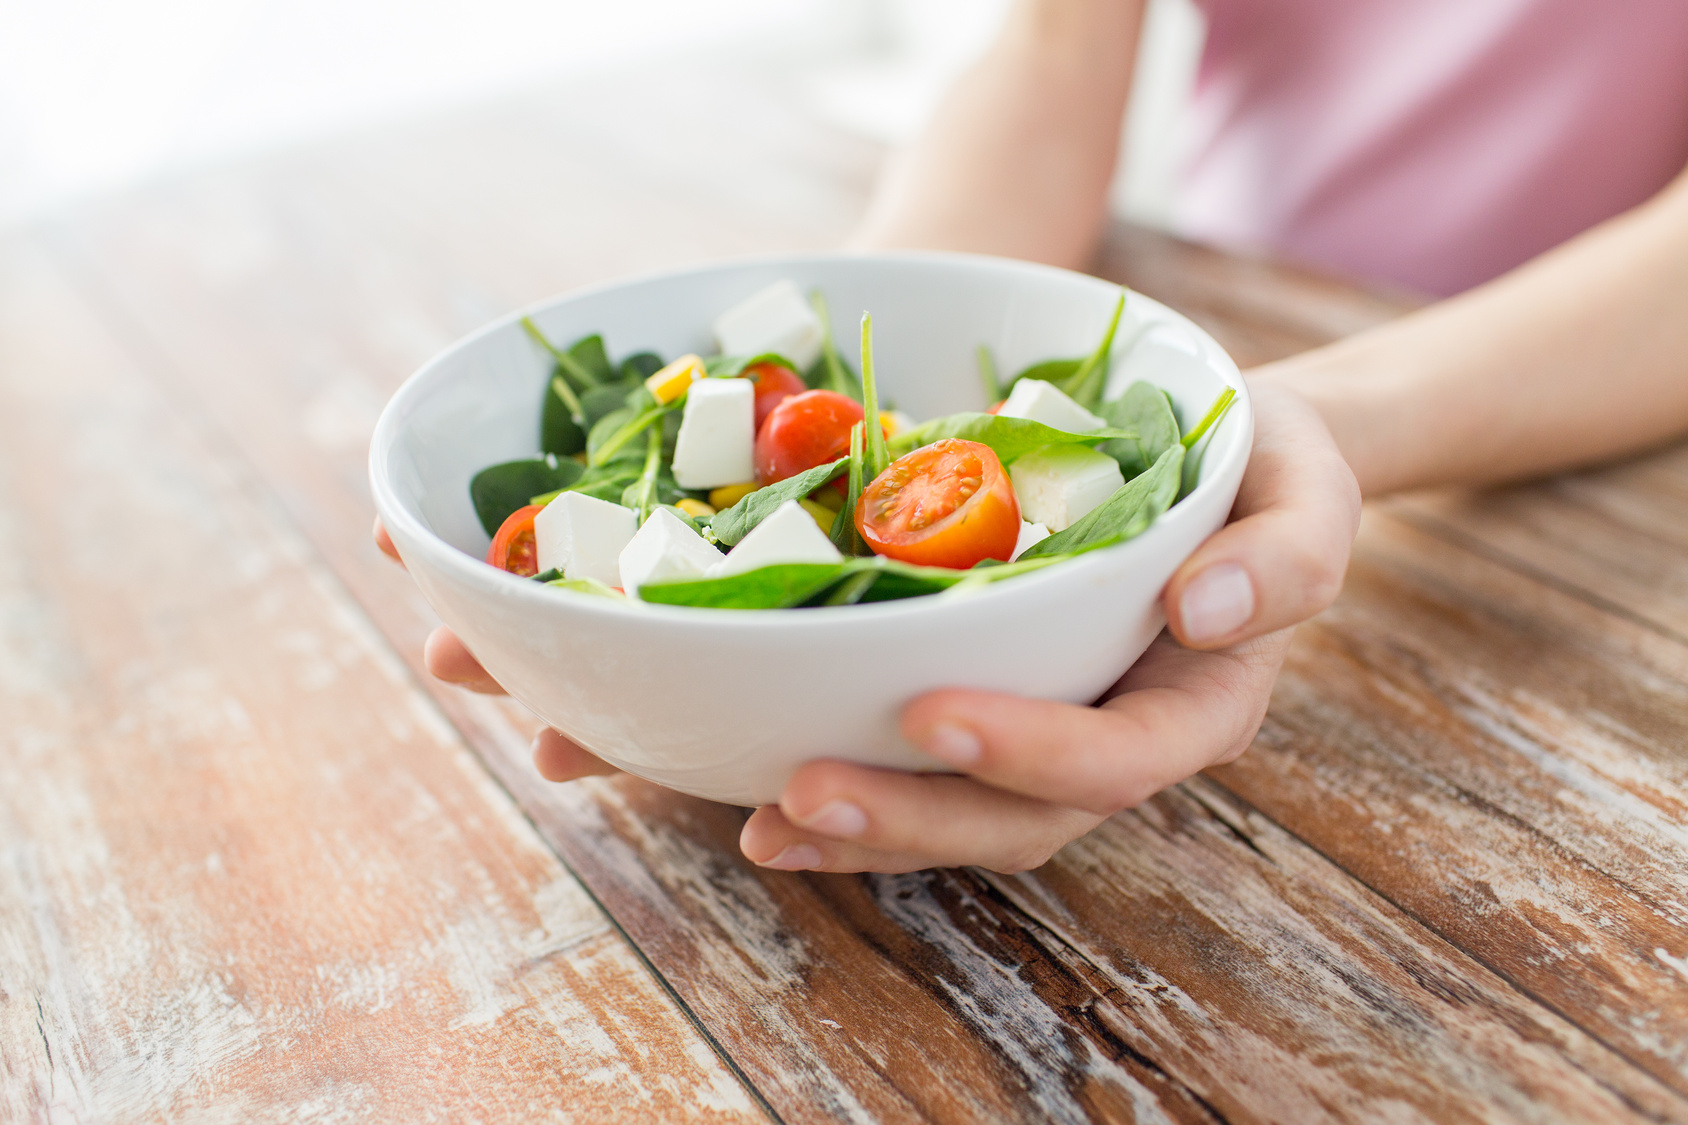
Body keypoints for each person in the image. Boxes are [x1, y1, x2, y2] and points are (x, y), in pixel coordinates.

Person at [378, 0, 1688, 874]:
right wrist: (833, 408)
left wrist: (1300, 433)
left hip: (1596, 459)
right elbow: (1060, 52)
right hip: (1193, 298)